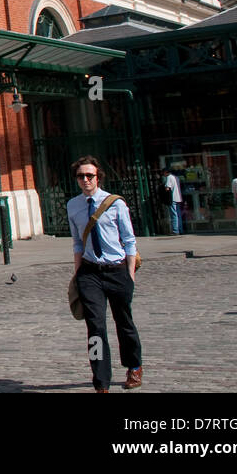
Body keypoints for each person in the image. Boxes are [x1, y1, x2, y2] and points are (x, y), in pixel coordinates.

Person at [67, 155, 142, 392]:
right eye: (81, 176)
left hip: (117, 269)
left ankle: (134, 366)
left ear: (98, 177)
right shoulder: (73, 205)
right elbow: (78, 243)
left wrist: (130, 273)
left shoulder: (116, 203)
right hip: (90, 272)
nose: (86, 180)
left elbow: (129, 240)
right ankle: (100, 381)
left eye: (90, 175)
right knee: (95, 327)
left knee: (124, 322)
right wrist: (77, 275)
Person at [161, 166, 183, 235]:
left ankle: (175, 230)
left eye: (163, 172)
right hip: (178, 197)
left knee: (173, 214)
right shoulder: (176, 177)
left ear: (166, 172)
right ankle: (180, 229)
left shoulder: (169, 177)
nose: (163, 174)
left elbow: (168, 188)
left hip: (172, 198)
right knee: (178, 214)